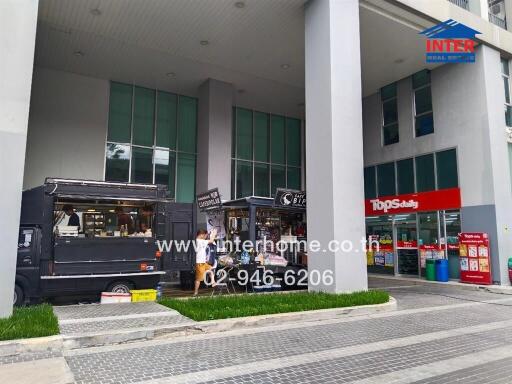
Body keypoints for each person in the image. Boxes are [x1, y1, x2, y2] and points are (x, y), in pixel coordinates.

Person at [194, 228, 217, 296]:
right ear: (201, 235)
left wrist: (211, 234)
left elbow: (209, 240)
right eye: (205, 235)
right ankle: (195, 292)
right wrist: (214, 233)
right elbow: (211, 240)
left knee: (210, 269)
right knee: (198, 279)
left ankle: (213, 282)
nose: (205, 237)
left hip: (204, 262)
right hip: (199, 263)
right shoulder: (199, 241)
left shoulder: (200, 241)